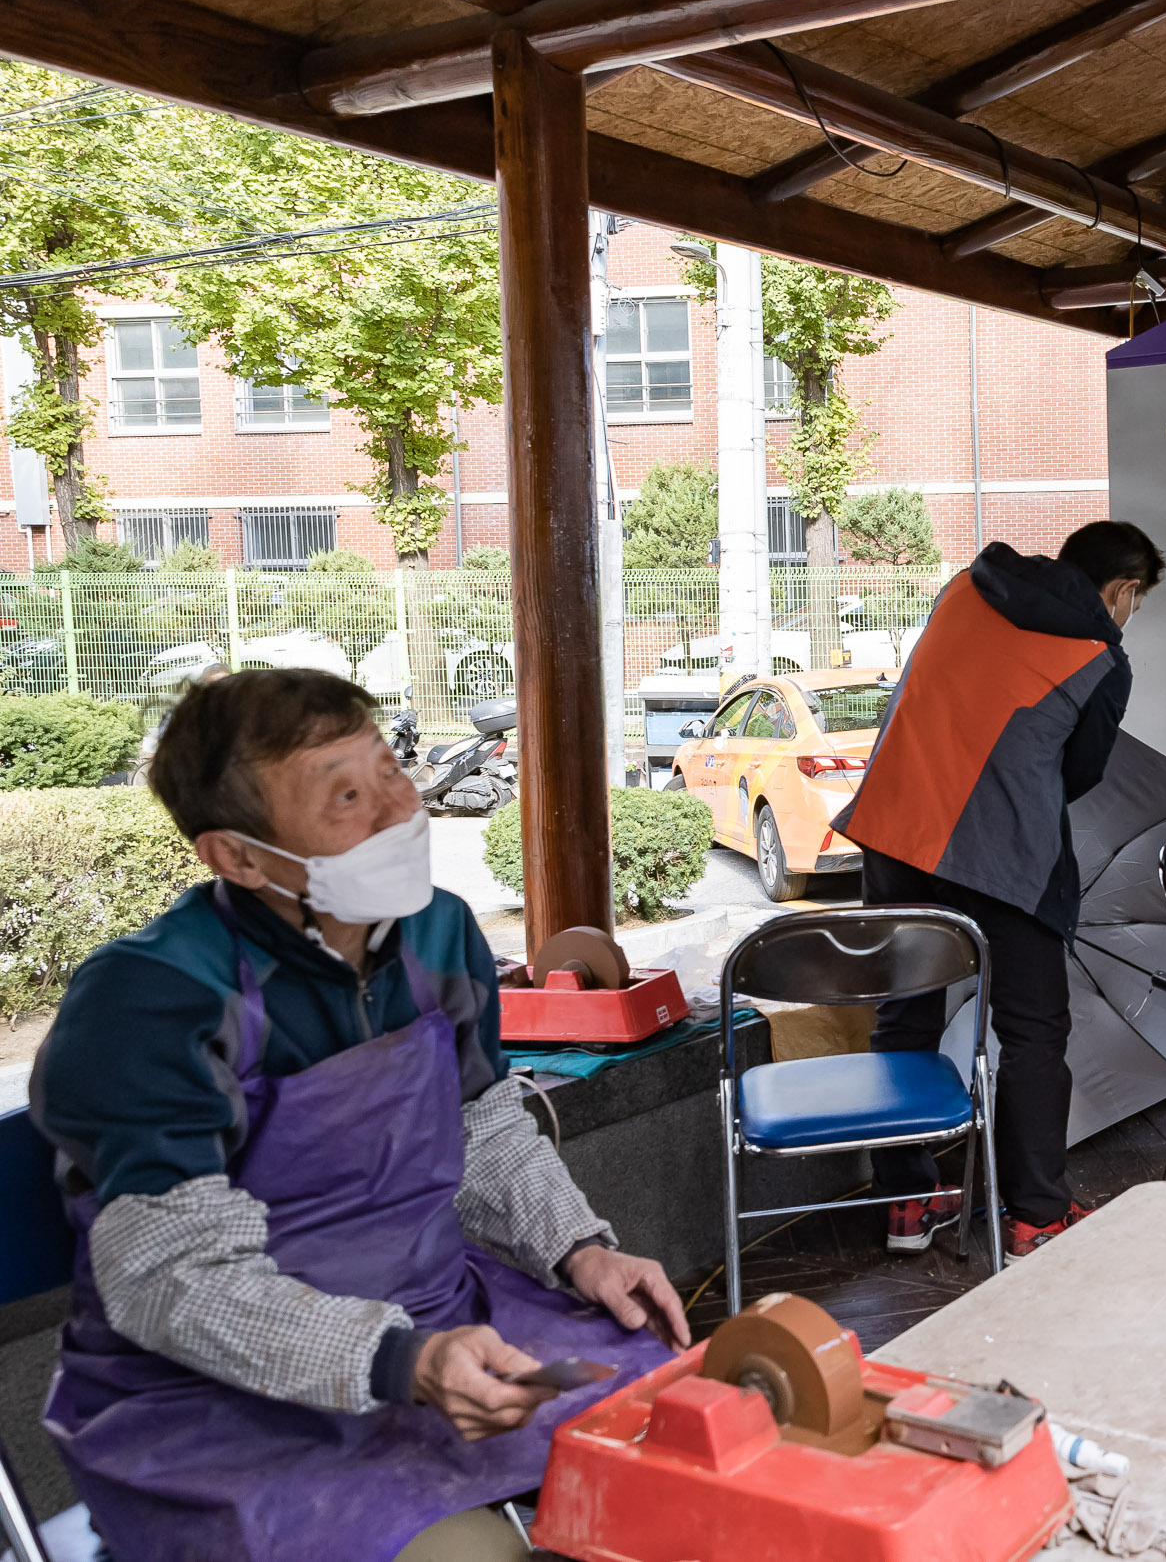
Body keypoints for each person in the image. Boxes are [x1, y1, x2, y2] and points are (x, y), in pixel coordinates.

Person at [30, 669, 687, 1562]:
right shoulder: (153, 999)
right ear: (239, 857)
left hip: (439, 1314)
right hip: (215, 1397)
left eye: (390, 767)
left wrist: (581, 1247)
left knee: (691, 1444)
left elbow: (480, 1125)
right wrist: (398, 1362)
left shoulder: (437, 931)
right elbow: (170, 1279)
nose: (396, 809)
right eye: (345, 794)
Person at [835, 520, 1162, 1259]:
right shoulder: (1102, 657)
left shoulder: (965, 586)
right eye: (1135, 603)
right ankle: (1035, 1214)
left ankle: (906, 1201)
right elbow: (1078, 775)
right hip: (1001, 855)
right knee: (1033, 1031)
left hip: (894, 829)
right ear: (1124, 591)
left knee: (905, 1017)